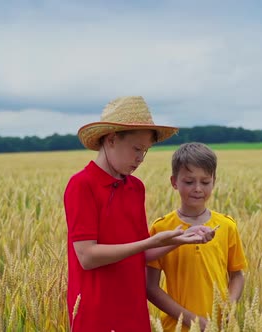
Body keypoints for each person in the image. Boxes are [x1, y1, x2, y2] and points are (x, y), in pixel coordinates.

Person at [64, 96, 214, 332]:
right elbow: (87, 256)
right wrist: (150, 241)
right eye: (136, 149)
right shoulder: (82, 185)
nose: (140, 159)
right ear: (112, 139)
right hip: (95, 312)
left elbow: (140, 253)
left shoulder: (135, 188)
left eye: (145, 151)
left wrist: (181, 237)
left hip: (133, 309)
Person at [147, 142, 248, 331]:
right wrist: (192, 320)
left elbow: (237, 275)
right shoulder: (161, 228)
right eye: (189, 181)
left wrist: (229, 307)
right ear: (174, 182)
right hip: (176, 327)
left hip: (218, 327)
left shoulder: (226, 226)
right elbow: (150, 287)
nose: (198, 188)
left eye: (205, 181)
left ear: (214, 181)